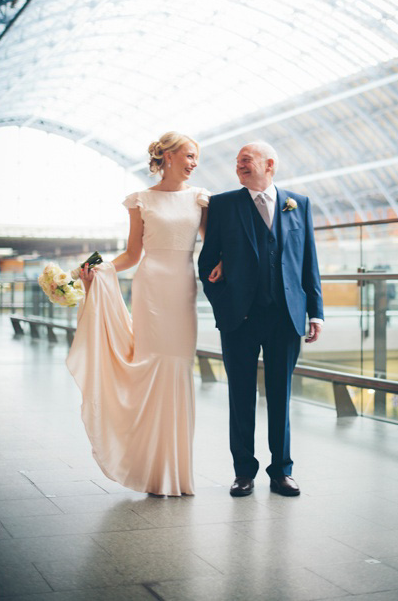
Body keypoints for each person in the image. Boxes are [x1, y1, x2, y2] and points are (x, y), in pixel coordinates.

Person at [71, 131, 213, 497]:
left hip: (183, 288)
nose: (195, 162)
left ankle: (176, 473)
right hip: (150, 288)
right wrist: (90, 268)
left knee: (178, 369)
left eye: (196, 157)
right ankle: (150, 469)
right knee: (151, 365)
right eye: (189, 154)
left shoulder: (201, 199)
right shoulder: (140, 201)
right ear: (166, 156)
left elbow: (214, 249)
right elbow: (131, 255)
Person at [198, 141, 323, 498]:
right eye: (238, 161)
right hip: (239, 318)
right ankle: (243, 472)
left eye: (246, 160)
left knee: (281, 396)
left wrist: (316, 312)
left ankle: (282, 471)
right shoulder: (222, 205)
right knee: (240, 397)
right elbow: (207, 264)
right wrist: (223, 305)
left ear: (270, 164)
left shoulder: (298, 203)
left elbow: (308, 262)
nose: (239, 165)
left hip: (286, 317)